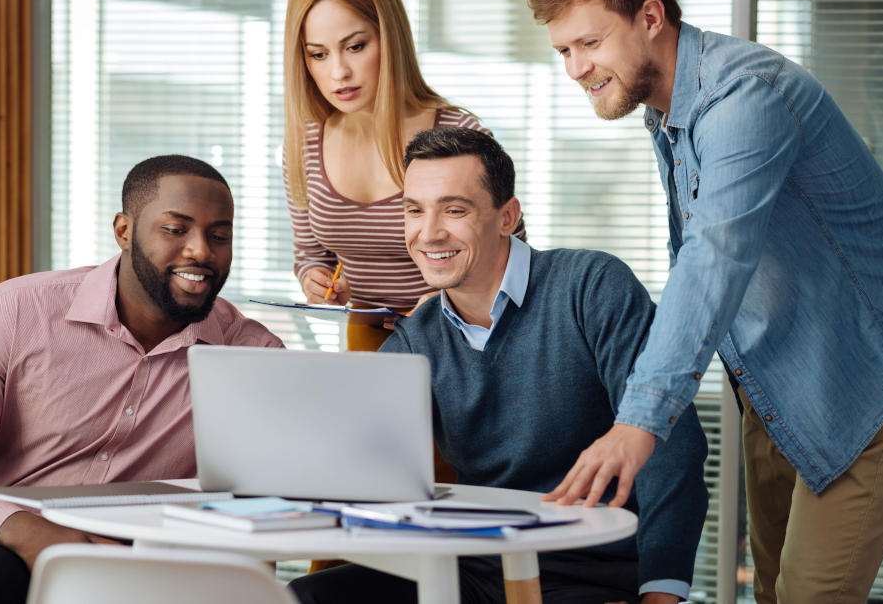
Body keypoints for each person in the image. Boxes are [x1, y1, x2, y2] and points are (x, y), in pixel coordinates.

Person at [527, 0, 883, 603]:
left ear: (650, 17)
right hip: (779, 394)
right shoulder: (669, 112)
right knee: (775, 592)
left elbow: (713, 260)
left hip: (865, 394)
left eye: (590, 43)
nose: (575, 68)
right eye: (564, 51)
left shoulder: (745, 96)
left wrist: (639, 420)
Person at [289, 127, 708, 604]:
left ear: (507, 216)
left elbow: (673, 444)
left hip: (594, 575)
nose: (429, 233)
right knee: (304, 597)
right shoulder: (416, 338)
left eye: (454, 209)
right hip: (472, 571)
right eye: (414, 210)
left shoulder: (591, 287)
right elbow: (354, 457)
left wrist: (661, 591)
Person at [0, 155, 283, 604]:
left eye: (219, 236)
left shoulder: (253, 355)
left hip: (154, 550)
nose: (201, 251)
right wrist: (26, 530)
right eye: (176, 230)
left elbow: (270, 491)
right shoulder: (16, 312)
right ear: (123, 231)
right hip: (7, 537)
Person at [283, 0, 522, 351]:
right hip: (368, 338)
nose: (338, 72)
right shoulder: (307, 141)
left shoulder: (460, 134)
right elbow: (311, 255)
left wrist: (448, 300)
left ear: (389, 38)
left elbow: (510, 259)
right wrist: (316, 281)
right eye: (318, 54)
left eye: (355, 46)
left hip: (462, 338)